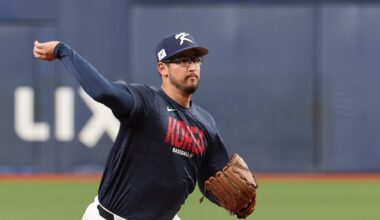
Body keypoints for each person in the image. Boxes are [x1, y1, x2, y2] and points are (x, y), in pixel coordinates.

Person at [33, 32, 230, 220]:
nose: (192, 66)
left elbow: (212, 182)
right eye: (182, 60)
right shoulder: (146, 102)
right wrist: (62, 50)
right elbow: (104, 92)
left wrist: (230, 201)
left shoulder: (206, 123)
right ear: (162, 69)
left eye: (196, 59)